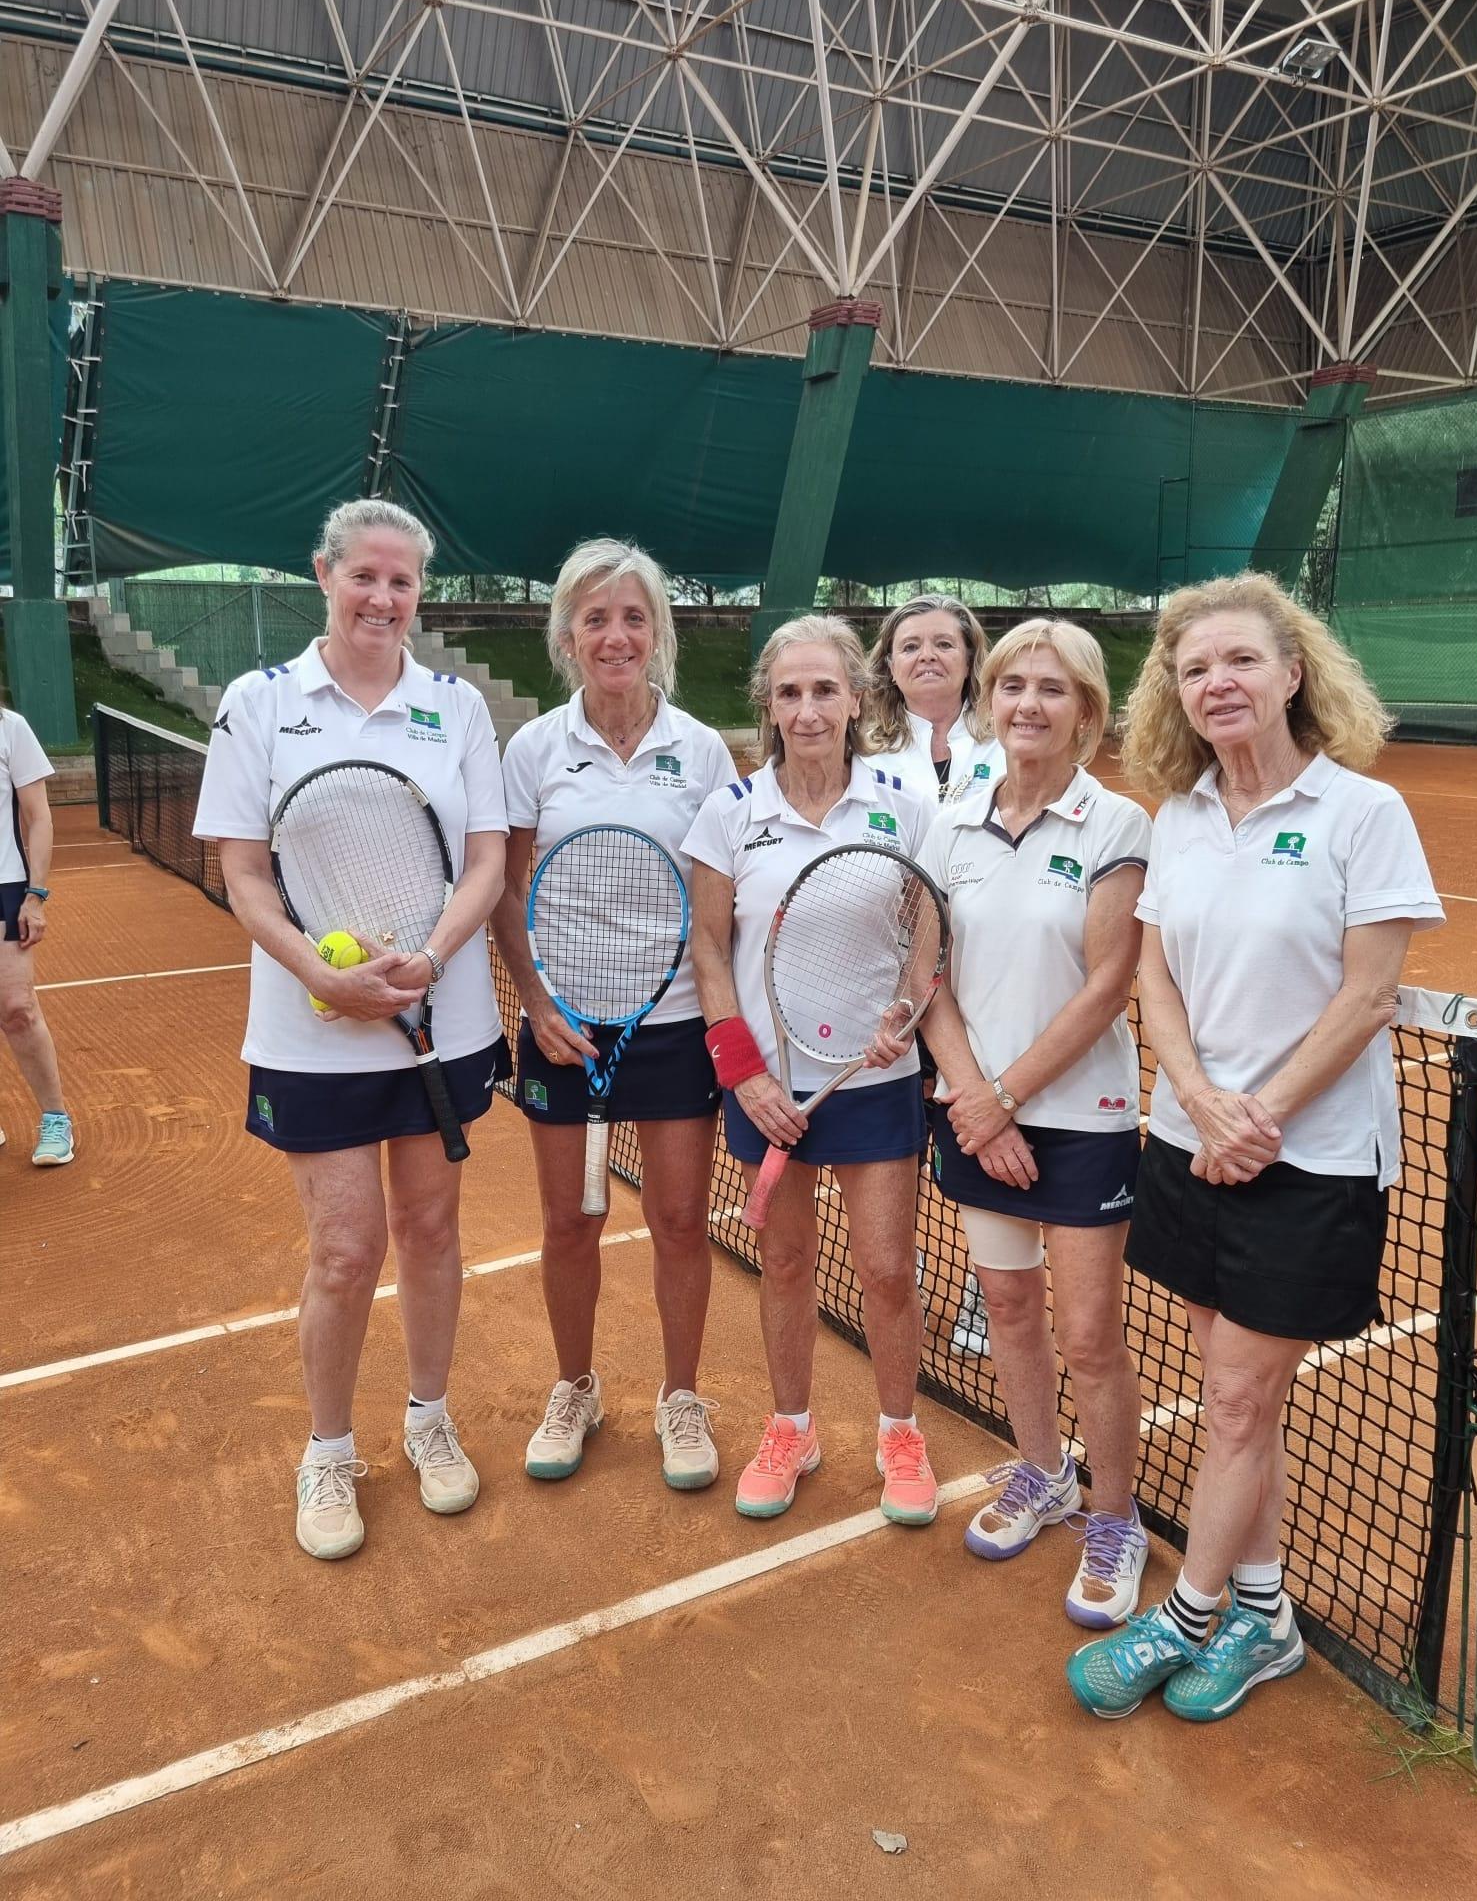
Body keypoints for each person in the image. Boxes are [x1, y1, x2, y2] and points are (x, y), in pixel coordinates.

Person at [1067, 571, 1443, 1722]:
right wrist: (1196, 1099)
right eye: (1194, 669)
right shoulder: (1177, 819)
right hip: (1187, 1147)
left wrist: (1259, 1113)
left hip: (1311, 1163)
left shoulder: (1362, 814)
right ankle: (1267, 1615)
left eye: (1239, 661)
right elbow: (1158, 980)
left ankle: (1186, 1615)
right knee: (1245, 1406)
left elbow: (1370, 994)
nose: (1216, 683)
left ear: (1293, 674)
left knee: (1234, 1401)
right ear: (1173, 696)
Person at [193, 499, 510, 1562]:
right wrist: (323, 977)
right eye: (363, 576)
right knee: (344, 1247)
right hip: (311, 1031)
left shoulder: (456, 707)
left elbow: (485, 863)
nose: (382, 597)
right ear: (323, 574)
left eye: (402, 582)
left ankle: (428, 1418)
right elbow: (242, 872)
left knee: (429, 1229)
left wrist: (425, 962)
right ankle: (329, 1448)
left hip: (441, 1016)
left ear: (419, 593)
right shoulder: (262, 703)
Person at [917, 619, 1150, 1626]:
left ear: (1086, 710)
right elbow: (928, 977)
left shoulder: (1117, 826)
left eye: (1053, 689)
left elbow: (1108, 985)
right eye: (1013, 684)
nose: (1027, 704)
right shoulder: (949, 821)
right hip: (973, 1111)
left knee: (1091, 1335)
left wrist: (1002, 1099)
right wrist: (975, 1102)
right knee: (1008, 1310)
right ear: (991, 697)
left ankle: (1115, 1517)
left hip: (1081, 1119)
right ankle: (1043, 1471)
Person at [685, 614, 940, 1524]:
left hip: (873, 1080)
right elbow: (709, 953)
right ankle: (792, 1425)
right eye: (789, 692)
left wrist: (905, 1013)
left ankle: (899, 1430)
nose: (807, 709)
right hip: (768, 1084)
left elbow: (927, 935)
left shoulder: (905, 808)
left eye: (824, 689)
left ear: (857, 701)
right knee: (785, 1260)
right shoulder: (730, 812)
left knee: (885, 1270)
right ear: (769, 704)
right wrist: (743, 1073)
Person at [494, 540, 737, 1492]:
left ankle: (682, 1398)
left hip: (672, 1022)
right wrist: (539, 1003)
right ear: (567, 636)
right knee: (568, 1223)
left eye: (633, 617)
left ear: (658, 634)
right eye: (595, 618)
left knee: (680, 1221)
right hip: (565, 1027)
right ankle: (576, 1388)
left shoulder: (704, 752)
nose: (616, 635)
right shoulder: (534, 750)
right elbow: (508, 890)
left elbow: (717, 900)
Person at [0, 708, 73, 1166]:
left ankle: (55, 1118)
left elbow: (39, 818)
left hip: (6, 884)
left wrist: (36, 896)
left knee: (17, 1007)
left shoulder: (10, 728)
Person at [864, 593, 1006, 810]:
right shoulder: (866, 754)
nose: (927, 656)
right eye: (910, 647)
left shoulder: (1004, 743)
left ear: (969, 661)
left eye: (944, 644)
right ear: (891, 668)